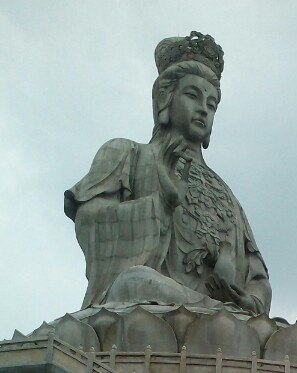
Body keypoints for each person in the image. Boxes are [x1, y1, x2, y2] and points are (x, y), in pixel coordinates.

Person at [64, 31, 272, 317]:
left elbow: (258, 276)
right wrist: (160, 205)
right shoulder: (127, 154)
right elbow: (89, 223)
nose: (203, 109)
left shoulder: (228, 197)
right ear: (165, 98)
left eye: (211, 105)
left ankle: (222, 316)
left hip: (224, 322)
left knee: (261, 326)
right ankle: (217, 315)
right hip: (150, 304)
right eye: (193, 96)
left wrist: (251, 300)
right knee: (136, 283)